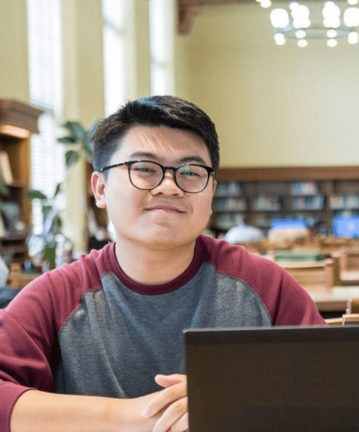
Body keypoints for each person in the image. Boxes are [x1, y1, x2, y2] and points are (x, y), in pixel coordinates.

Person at [0, 95, 325, 432]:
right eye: (144, 168)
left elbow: (333, 381)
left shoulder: (264, 286)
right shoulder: (58, 296)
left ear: (211, 192)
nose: (169, 186)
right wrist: (140, 416)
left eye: (190, 172)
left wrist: (228, 399)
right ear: (100, 188)